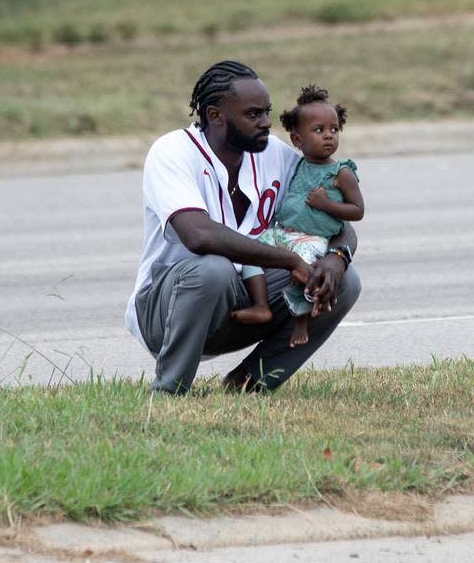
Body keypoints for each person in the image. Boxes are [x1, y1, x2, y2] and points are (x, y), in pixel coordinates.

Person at [124, 60, 360, 395]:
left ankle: (249, 384)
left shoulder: (274, 155)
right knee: (213, 270)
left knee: (344, 281)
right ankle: (168, 391)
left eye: (267, 111)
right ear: (215, 115)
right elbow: (198, 234)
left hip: (250, 303)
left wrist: (337, 256)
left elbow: (335, 222)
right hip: (166, 310)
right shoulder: (173, 152)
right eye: (253, 114)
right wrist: (292, 261)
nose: (266, 122)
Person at [232, 84, 364, 347]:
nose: (329, 136)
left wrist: (325, 204)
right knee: (248, 251)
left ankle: (300, 322)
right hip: (284, 233)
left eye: (334, 129)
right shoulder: (297, 164)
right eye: (319, 130)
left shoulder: (342, 173)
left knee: (303, 273)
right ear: (297, 140)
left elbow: (357, 211)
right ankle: (260, 305)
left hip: (311, 239)